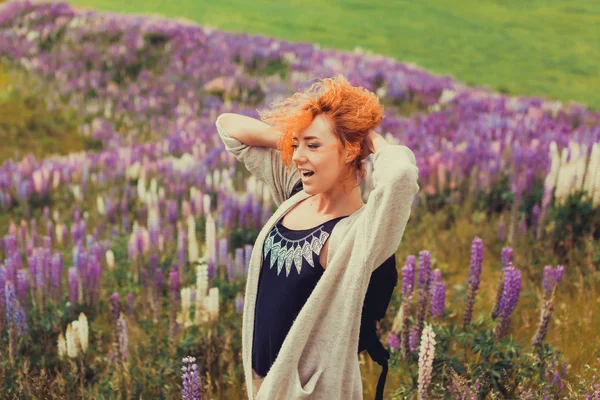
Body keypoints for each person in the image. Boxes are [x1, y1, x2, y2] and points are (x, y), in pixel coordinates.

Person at [216, 74, 419, 399]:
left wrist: (373, 143)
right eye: (296, 145)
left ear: (351, 151)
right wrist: (296, 138)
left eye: (313, 145)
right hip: (261, 389)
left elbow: (401, 177)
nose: (297, 156)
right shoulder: (296, 192)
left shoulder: (359, 235)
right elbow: (230, 128)